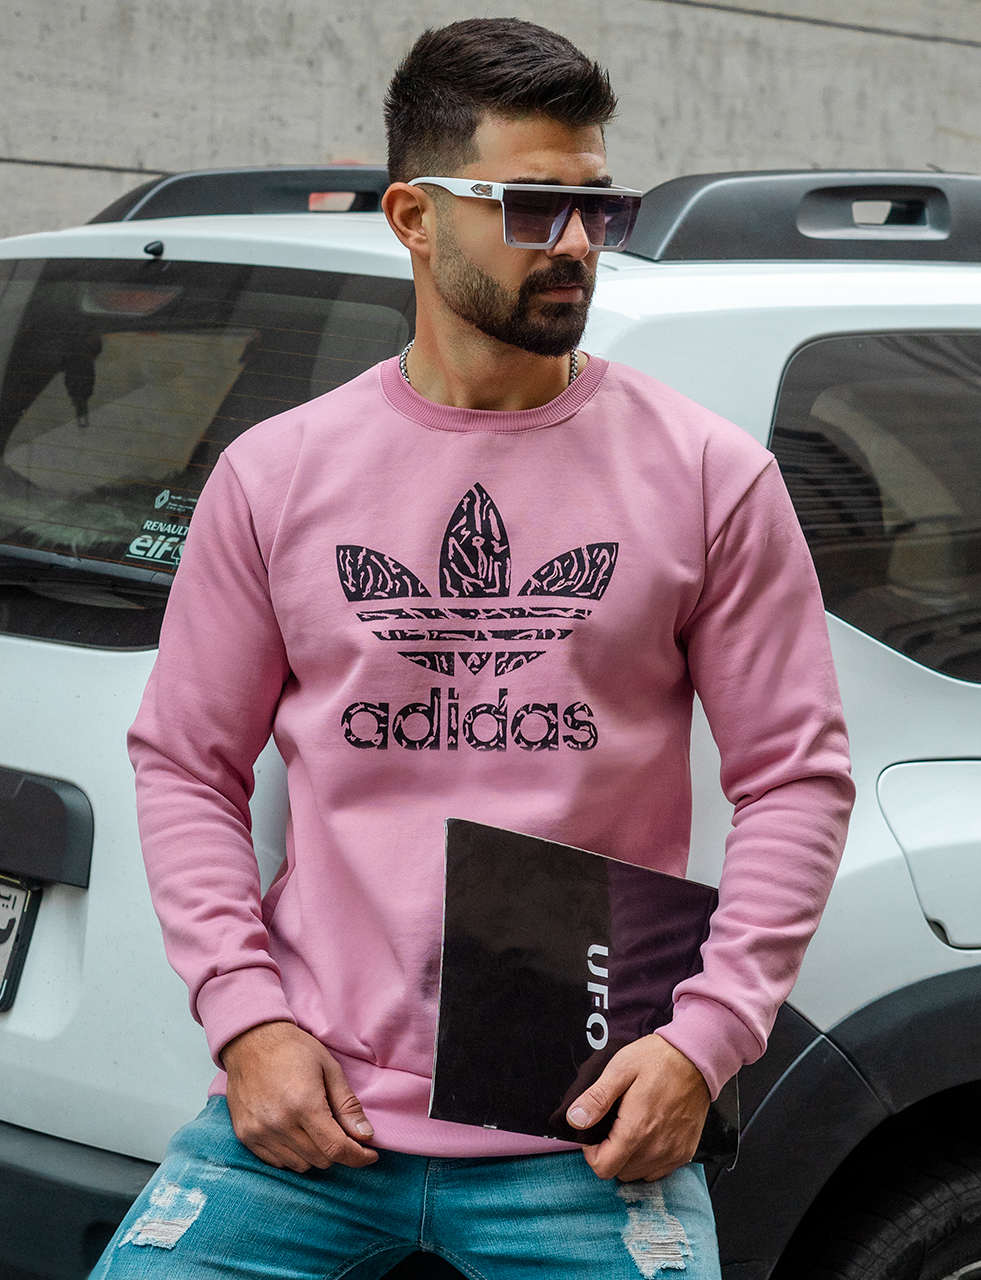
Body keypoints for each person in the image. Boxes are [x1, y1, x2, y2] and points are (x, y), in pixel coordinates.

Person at [95, 17, 854, 1279]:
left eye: (594, 206)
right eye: (529, 206)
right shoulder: (278, 475)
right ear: (412, 216)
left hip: (582, 1124)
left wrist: (705, 1038)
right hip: (310, 1105)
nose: (575, 243)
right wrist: (246, 1021)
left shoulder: (706, 475)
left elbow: (794, 777)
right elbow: (185, 762)